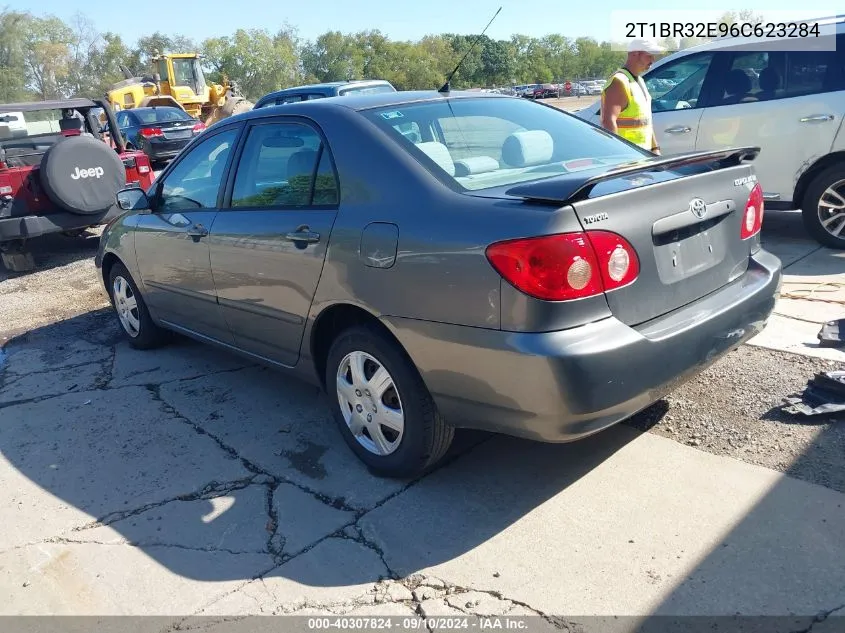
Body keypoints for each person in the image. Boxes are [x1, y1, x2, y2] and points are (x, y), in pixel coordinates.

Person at [600, 37, 665, 154]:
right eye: (649, 56)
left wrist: (655, 149)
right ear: (635, 54)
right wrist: (619, 154)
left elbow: (646, 122)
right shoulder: (619, 81)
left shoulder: (639, 80)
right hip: (627, 157)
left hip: (643, 155)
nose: (652, 60)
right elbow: (608, 122)